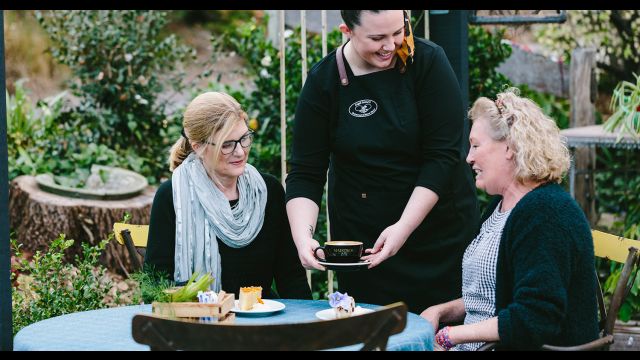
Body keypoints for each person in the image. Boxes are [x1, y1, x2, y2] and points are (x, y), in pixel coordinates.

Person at [285, 10, 479, 313]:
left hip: (438, 236)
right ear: (346, 31)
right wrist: (302, 236)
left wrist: (403, 227)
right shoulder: (324, 81)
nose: (391, 45)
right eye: (377, 38)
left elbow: (442, 157)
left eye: (397, 32)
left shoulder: (428, 62)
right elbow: (305, 172)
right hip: (367, 247)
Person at [420, 88, 600, 350]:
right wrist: (441, 311)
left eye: (476, 145)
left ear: (510, 147)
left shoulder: (547, 213)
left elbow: (535, 317)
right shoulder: (500, 207)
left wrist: (451, 336)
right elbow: (491, 295)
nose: (468, 157)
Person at [144, 91, 311, 300]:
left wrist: (307, 327)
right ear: (199, 147)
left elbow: (291, 275)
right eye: (227, 144)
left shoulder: (268, 191)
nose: (240, 152)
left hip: (262, 322)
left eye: (244, 139)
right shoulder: (172, 197)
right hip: (199, 324)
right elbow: (154, 286)